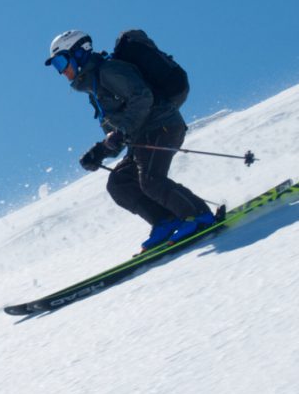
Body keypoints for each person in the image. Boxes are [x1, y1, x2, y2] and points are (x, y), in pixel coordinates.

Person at [45, 30, 216, 249]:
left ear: (79, 53)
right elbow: (117, 134)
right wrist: (100, 152)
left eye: (61, 62)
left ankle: (199, 216)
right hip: (142, 136)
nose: (62, 72)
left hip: (162, 126)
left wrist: (120, 133)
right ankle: (165, 221)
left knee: (151, 180)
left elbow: (143, 97)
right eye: (58, 67)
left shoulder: (109, 71)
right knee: (120, 183)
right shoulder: (94, 90)